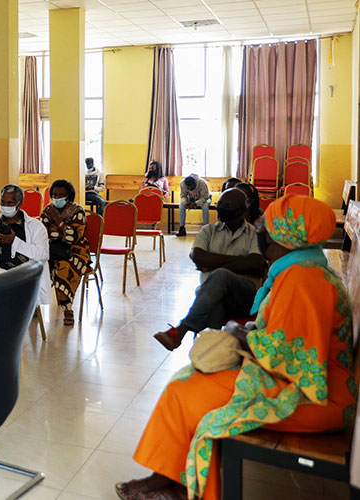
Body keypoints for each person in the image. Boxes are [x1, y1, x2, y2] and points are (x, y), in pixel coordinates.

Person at [118, 195, 355, 500]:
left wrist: (241, 335)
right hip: (296, 381)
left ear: (286, 235)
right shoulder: (301, 268)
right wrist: (247, 332)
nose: (262, 230)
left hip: (316, 398)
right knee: (189, 380)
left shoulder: (304, 280)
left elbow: (291, 358)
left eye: (268, 226)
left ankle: (174, 484)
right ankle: (174, 481)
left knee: (186, 391)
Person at [153, 188, 265, 351]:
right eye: (220, 204)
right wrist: (241, 263)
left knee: (220, 275)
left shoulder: (254, 234)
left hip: (244, 297)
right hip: (213, 295)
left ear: (242, 210)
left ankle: (181, 330)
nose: (221, 209)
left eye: (228, 205)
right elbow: (197, 256)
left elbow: (255, 263)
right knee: (214, 305)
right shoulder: (208, 231)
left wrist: (213, 263)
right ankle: (205, 356)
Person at [41, 179, 90, 325]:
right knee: (34, 266)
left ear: (68, 196)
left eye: (61, 194)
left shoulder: (77, 211)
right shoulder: (48, 210)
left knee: (63, 267)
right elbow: (42, 233)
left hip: (75, 251)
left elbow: (74, 237)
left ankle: (67, 309)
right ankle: (34, 305)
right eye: (54, 194)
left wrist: (57, 222)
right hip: (51, 250)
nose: (57, 198)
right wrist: (60, 231)